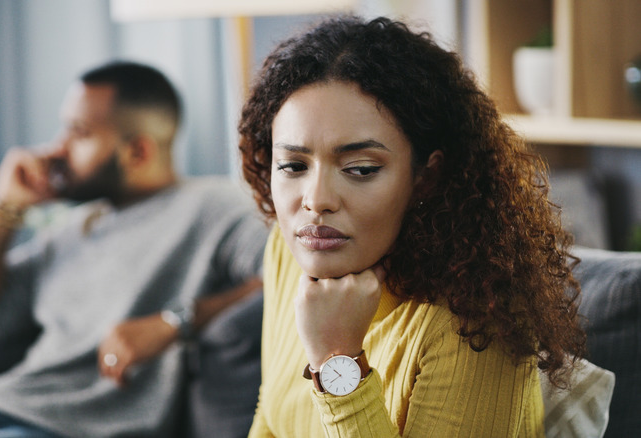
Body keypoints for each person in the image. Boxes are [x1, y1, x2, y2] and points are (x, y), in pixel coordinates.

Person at [0, 61, 268, 437]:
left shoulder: (212, 207)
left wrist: (174, 321)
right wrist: (5, 208)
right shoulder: (79, 226)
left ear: (138, 151)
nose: (56, 149)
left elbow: (289, 274)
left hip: (63, 431)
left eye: (79, 133)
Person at [238, 15, 586, 437]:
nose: (316, 201)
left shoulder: (473, 323)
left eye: (361, 169)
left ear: (426, 176)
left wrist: (337, 359)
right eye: (292, 165)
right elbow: (270, 419)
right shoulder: (287, 248)